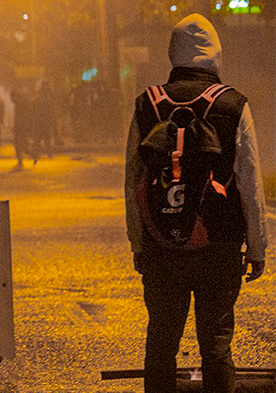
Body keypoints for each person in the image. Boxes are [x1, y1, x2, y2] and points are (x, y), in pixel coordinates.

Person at [124, 14, 268, 393]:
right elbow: (250, 181)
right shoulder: (234, 105)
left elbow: (132, 179)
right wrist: (257, 246)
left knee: (160, 343)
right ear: (215, 55)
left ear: (173, 54)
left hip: (161, 246)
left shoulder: (147, 105)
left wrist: (138, 242)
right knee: (216, 345)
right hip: (218, 245)